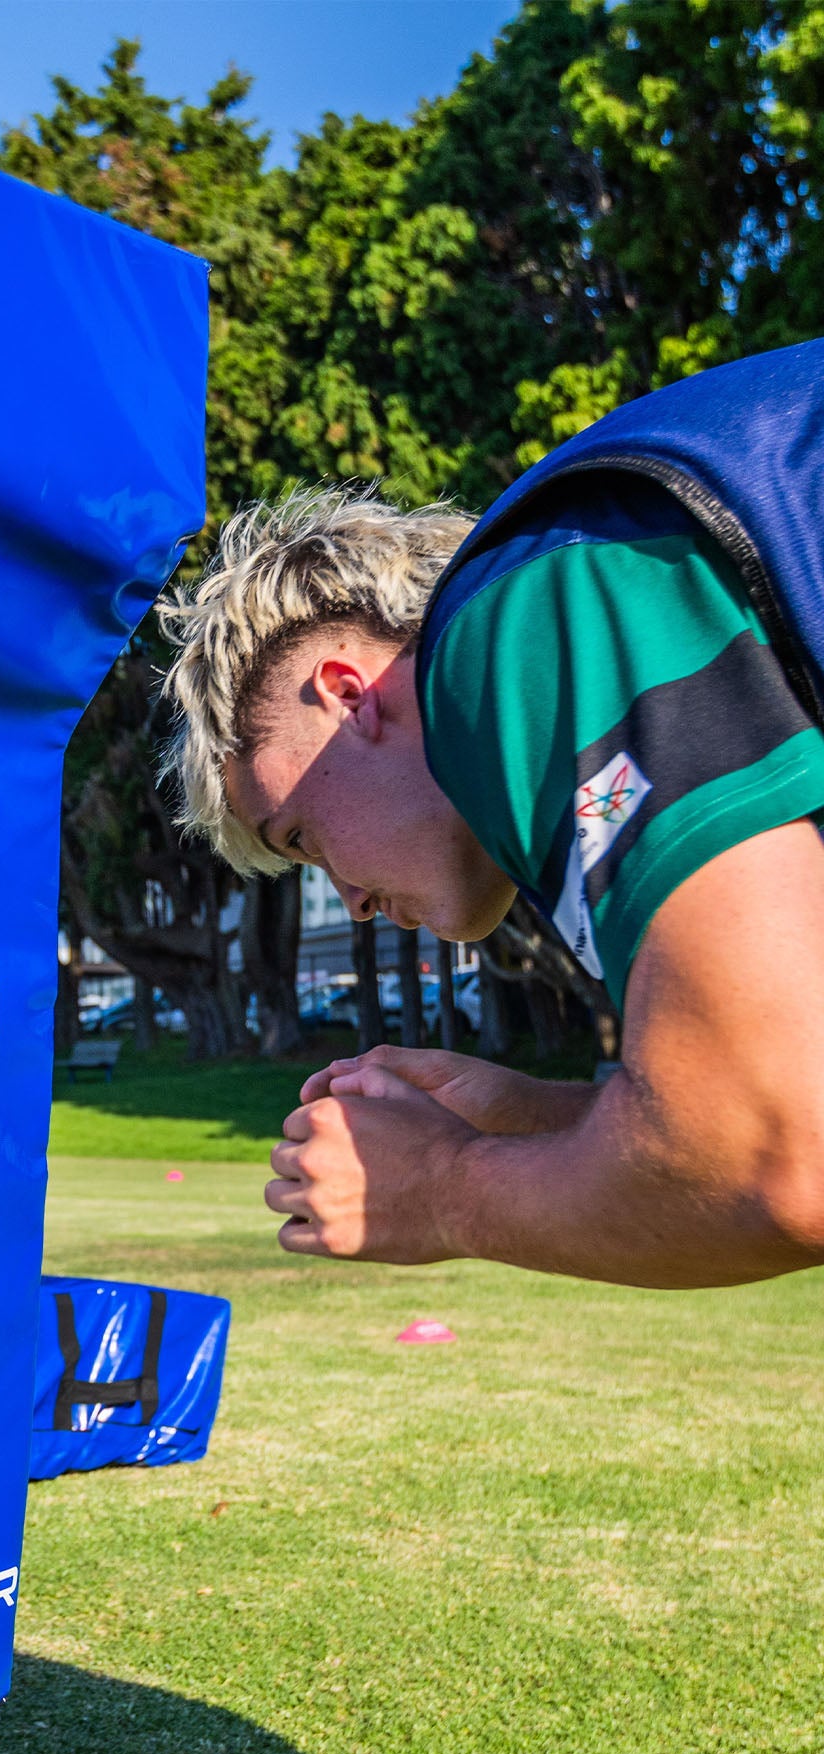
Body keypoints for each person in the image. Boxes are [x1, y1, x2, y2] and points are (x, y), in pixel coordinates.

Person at [160, 375, 824, 1290]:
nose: (350, 901)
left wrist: (438, 1188)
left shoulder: (522, 615)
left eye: (305, 835)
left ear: (347, 696)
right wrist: (525, 1119)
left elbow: (774, 1161)